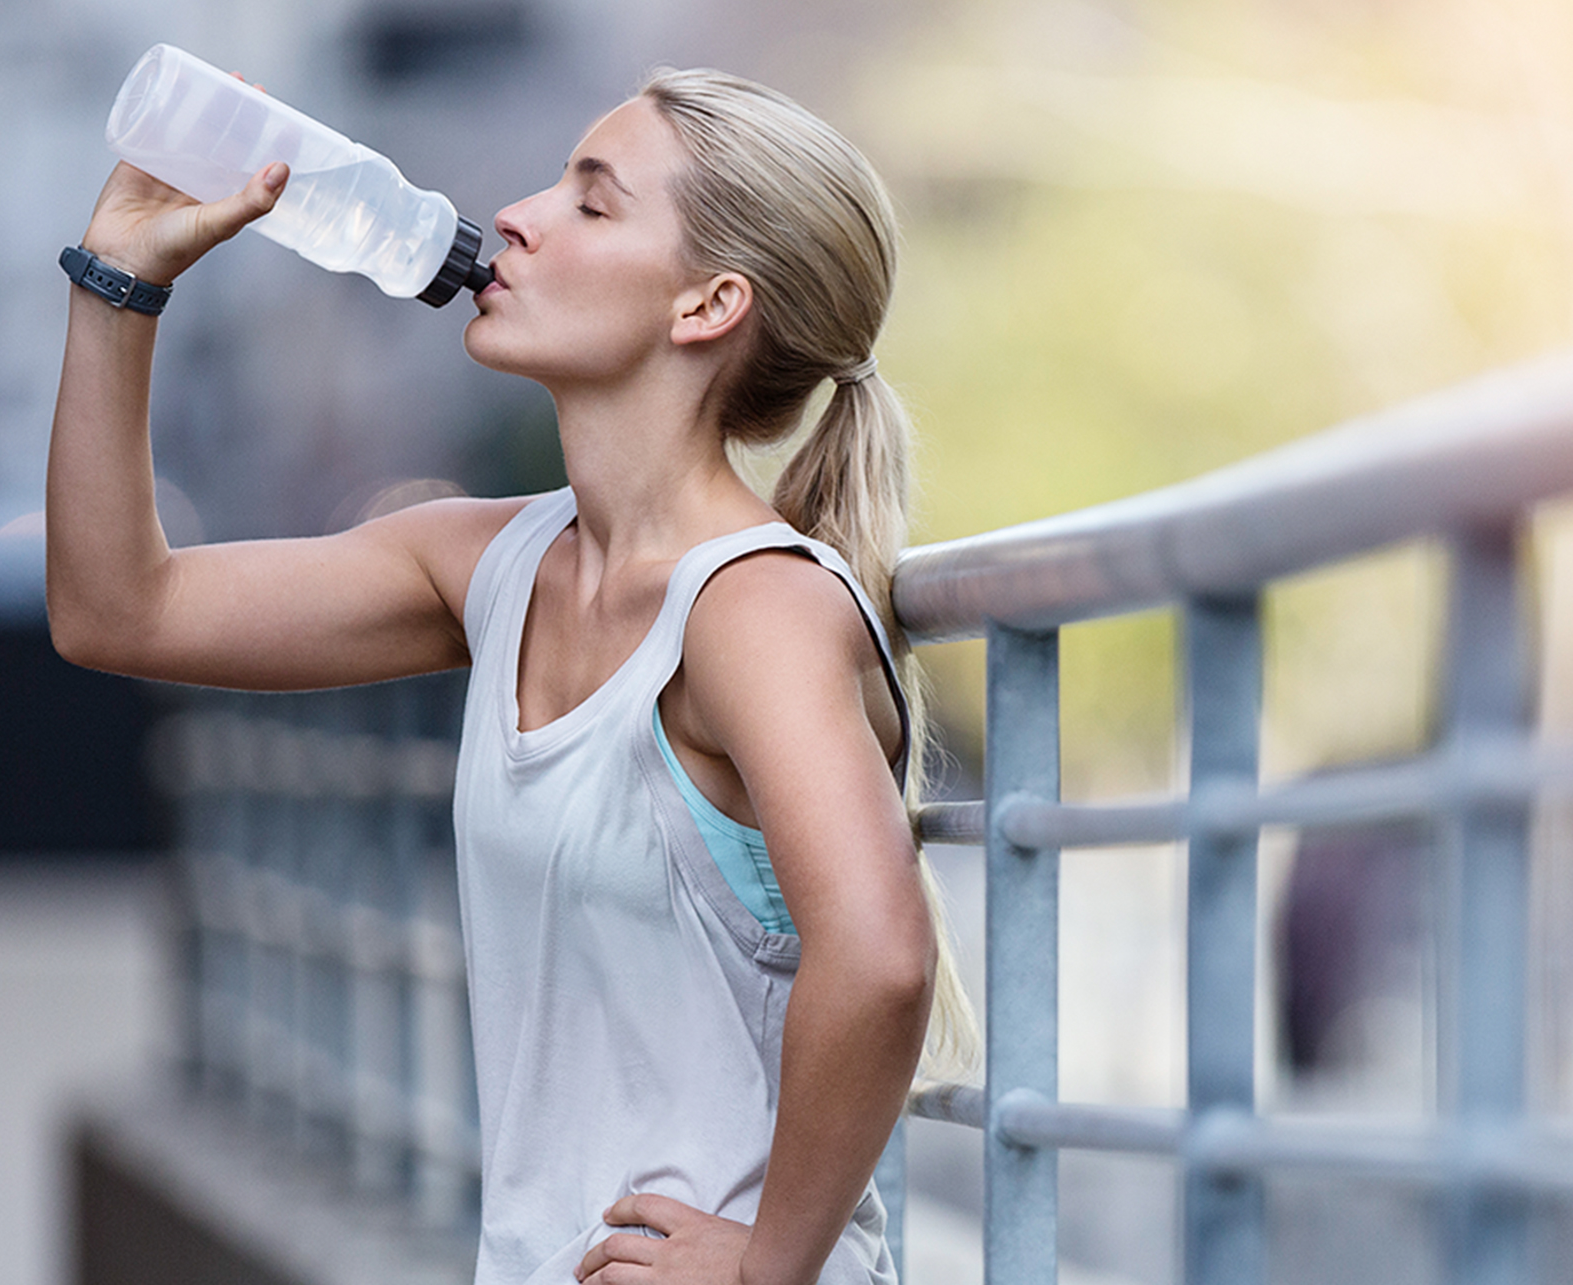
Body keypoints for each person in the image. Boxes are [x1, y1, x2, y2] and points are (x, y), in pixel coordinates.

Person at [48, 66, 972, 1285]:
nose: (519, 217)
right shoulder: (487, 563)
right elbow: (120, 609)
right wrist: (120, 282)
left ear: (708, 303)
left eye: (591, 204)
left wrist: (767, 1267)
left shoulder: (752, 608)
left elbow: (882, 952)